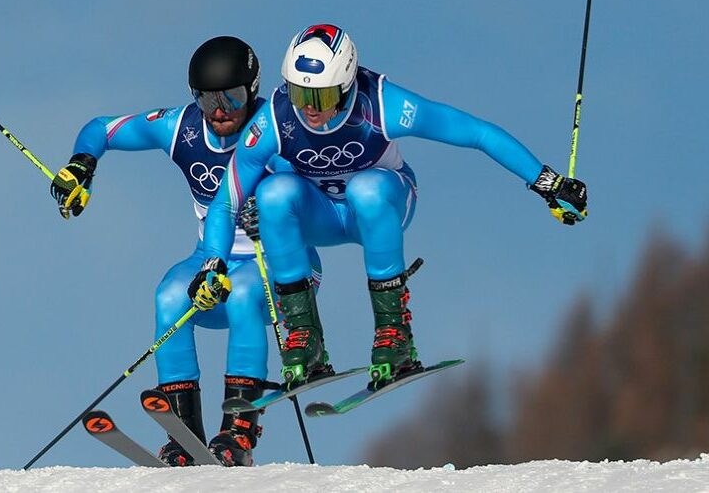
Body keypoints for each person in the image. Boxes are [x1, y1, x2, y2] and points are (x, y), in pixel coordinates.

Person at [195, 24, 589, 388]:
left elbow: (475, 132)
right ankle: (304, 337)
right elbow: (227, 200)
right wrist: (213, 261)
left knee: (366, 188)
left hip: (385, 205)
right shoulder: (276, 119)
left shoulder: (382, 104)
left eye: (321, 96)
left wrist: (546, 181)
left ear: (347, 86)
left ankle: (394, 334)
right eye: (300, 94)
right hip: (324, 216)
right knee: (273, 193)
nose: (309, 109)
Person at [49, 36, 321, 466]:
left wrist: (279, 214)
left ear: (252, 89)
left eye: (231, 97)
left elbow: (321, 197)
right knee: (170, 296)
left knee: (247, 296)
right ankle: (185, 437)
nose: (219, 110)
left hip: (283, 269)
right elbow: (101, 128)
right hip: (211, 262)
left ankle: (239, 432)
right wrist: (83, 165)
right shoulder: (183, 127)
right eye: (208, 98)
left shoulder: (281, 126)